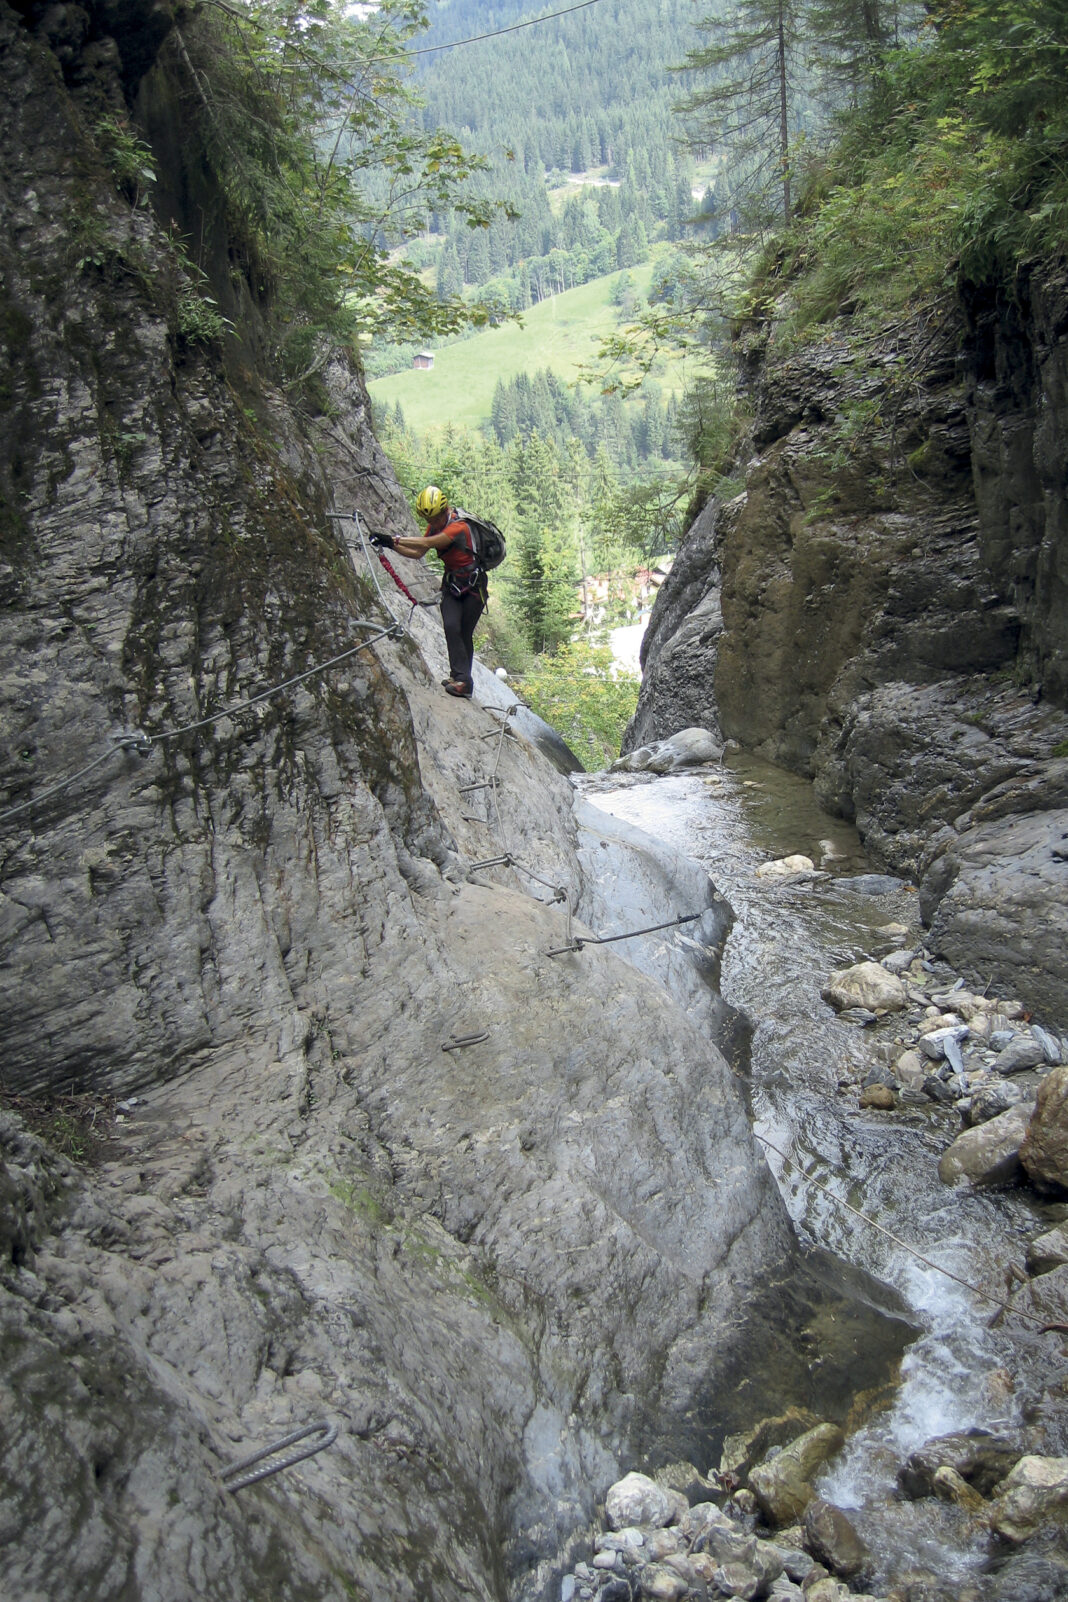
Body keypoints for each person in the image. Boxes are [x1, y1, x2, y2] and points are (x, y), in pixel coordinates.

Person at [374, 486, 485, 699]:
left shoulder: (458, 527)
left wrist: (391, 539)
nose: (432, 523)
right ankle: (459, 678)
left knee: (463, 632)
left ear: (444, 510)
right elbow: (418, 552)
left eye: (435, 518)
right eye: (429, 520)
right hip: (453, 585)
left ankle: (463, 680)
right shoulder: (436, 526)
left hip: (473, 587)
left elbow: (427, 543)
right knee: (452, 626)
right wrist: (390, 546)